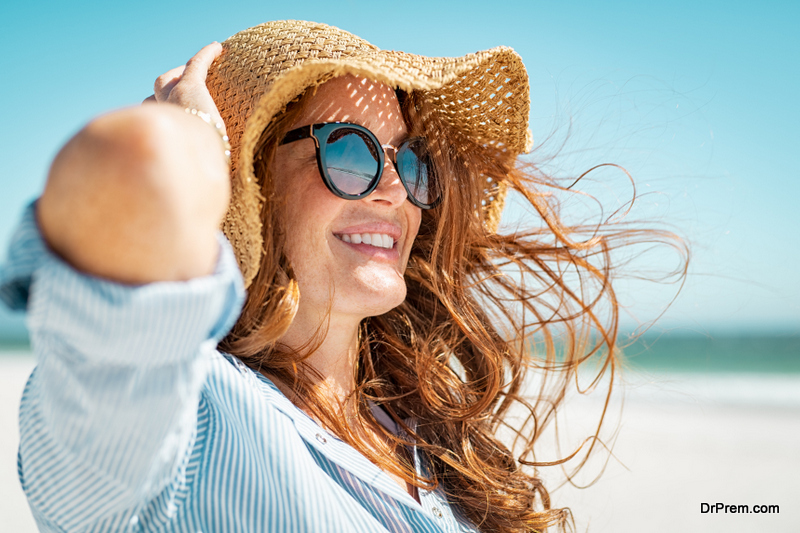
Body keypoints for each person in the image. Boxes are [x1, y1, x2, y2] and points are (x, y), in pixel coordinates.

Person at [1, 20, 679, 532]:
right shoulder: (182, 417)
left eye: (409, 161)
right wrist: (189, 150)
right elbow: (123, 169)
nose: (393, 189)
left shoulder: (423, 436)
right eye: (349, 152)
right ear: (254, 181)